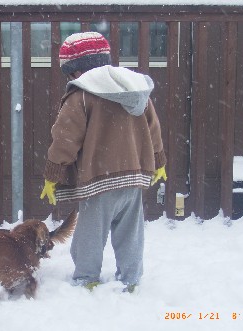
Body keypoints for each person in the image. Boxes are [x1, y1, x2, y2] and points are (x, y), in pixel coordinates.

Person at [40, 31, 167, 293]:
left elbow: (64, 138)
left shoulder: (81, 96)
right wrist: (158, 160)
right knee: (130, 232)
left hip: (99, 178)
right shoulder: (136, 89)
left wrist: (53, 173)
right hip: (134, 176)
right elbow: (153, 129)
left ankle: (87, 278)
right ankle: (131, 278)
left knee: (90, 233)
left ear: (77, 71)